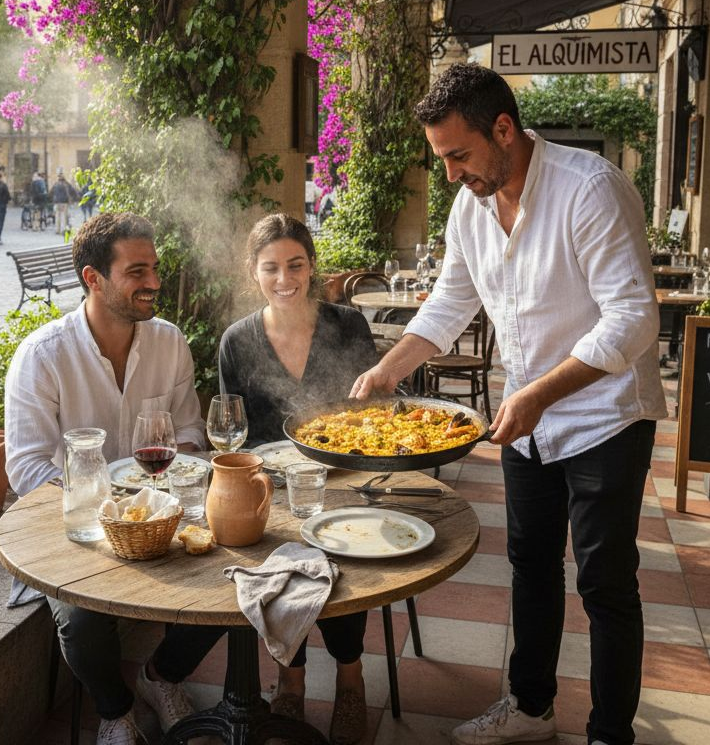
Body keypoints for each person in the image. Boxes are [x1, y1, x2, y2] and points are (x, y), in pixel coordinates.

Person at [350, 63, 665, 745]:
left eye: (458, 155)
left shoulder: (590, 188)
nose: (450, 175)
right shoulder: (471, 207)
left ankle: (610, 733)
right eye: (441, 160)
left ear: (503, 129)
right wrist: (388, 368)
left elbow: (634, 317)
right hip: (527, 420)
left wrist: (540, 392)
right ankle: (530, 709)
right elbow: (450, 301)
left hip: (605, 415)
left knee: (606, 582)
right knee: (530, 566)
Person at [4, 212, 224, 745]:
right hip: (73, 525)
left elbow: (189, 431)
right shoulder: (43, 356)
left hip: (160, 515)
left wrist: (175, 473)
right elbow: (26, 466)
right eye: (137, 271)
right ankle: (114, 710)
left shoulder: (169, 342)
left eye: (155, 269)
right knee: (81, 620)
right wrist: (111, 505)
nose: (153, 282)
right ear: (93, 279)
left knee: (231, 583)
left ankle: (161, 677)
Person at [217, 213, 377, 745]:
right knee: (282, 563)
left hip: (344, 478)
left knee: (340, 554)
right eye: (271, 268)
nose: (284, 278)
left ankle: (350, 680)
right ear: (254, 272)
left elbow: (371, 416)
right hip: (269, 491)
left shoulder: (348, 325)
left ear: (311, 267)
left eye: (296, 265)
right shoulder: (237, 341)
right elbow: (234, 435)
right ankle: (292, 680)